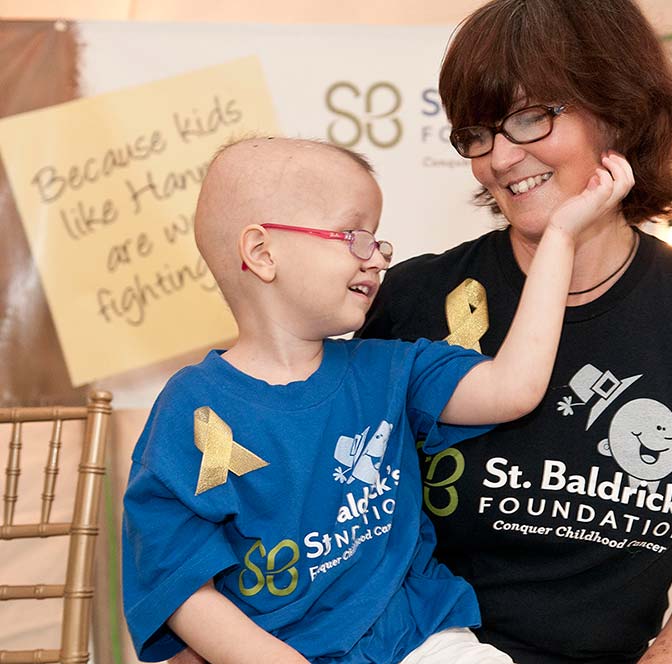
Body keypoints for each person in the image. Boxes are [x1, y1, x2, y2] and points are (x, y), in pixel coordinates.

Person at [356, 1, 672, 663]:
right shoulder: (413, 301)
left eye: (529, 116)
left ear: (615, 107)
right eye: (476, 133)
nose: (500, 158)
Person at [121, 136, 633, 664]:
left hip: (422, 640)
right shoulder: (193, 409)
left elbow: (515, 387)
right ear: (262, 253)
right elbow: (177, 581)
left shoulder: (390, 368)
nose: (378, 258)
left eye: (378, 240)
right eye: (354, 236)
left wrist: (560, 237)